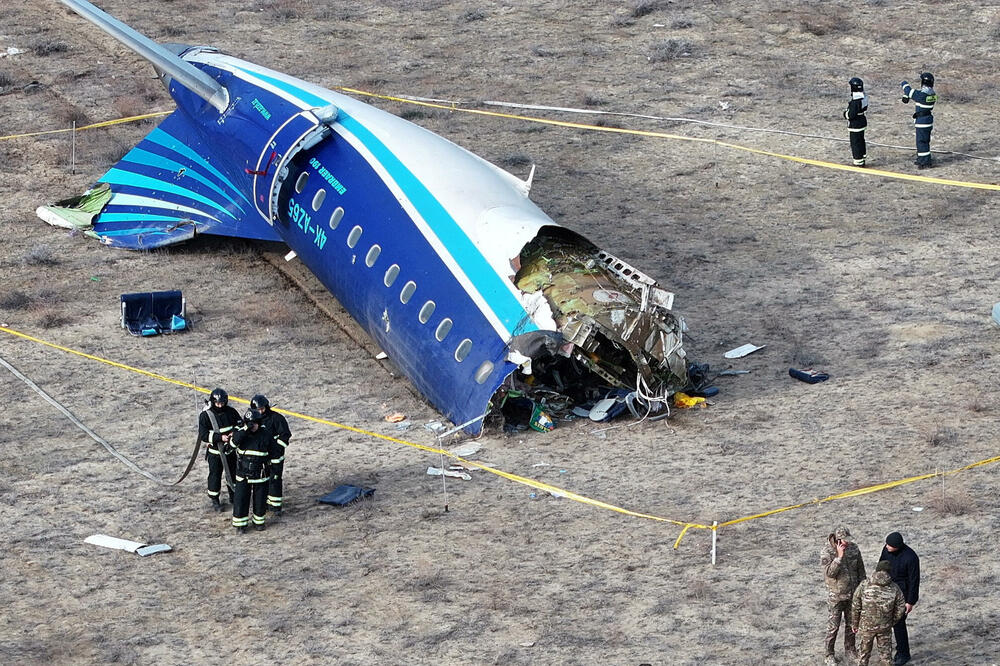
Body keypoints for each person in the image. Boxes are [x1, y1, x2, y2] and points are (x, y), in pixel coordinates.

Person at [820, 526, 867, 665]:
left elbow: (861, 570)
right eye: (844, 541)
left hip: (853, 594)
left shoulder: (854, 549)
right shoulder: (827, 552)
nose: (847, 543)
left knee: (852, 624)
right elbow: (830, 573)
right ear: (837, 539)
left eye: (848, 540)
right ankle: (829, 654)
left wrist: (862, 589)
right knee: (833, 626)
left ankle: (850, 650)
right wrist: (839, 557)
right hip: (836, 596)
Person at [851, 560, 907, 666]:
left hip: (866, 626)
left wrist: (855, 623)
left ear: (876, 570)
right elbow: (901, 606)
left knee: (863, 655)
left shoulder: (864, 585)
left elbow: (855, 605)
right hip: (885, 627)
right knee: (886, 656)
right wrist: (892, 621)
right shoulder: (894, 588)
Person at [230, 408, 277, 533]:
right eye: (249, 423)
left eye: (254, 423)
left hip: (260, 473)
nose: (252, 426)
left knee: (260, 499)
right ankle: (241, 525)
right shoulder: (241, 433)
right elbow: (232, 444)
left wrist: (274, 471)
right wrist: (245, 430)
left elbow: (274, 453)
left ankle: (258, 522)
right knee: (241, 499)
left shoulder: (266, 434)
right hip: (243, 474)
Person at [198, 387, 242, 512]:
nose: (220, 405)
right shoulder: (205, 416)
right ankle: (214, 499)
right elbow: (204, 435)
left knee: (233, 474)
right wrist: (219, 437)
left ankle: (233, 495)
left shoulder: (231, 412)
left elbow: (239, 425)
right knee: (215, 476)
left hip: (230, 451)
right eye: (217, 403)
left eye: (222, 403)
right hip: (215, 453)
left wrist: (234, 433)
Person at [879, 532, 920, 665]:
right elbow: (880, 568)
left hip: (902, 594)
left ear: (897, 546)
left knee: (899, 624)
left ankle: (903, 653)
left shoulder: (911, 557)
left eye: (889, 545)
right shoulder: (886, 550)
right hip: (886, 591)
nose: (886, 547)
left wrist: (910, 601)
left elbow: (914, 580)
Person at [251, 394, 292, 515]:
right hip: (261, 457)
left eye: (262, 409)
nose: (260, 411)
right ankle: (264, 503)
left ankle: (275, 506)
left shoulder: (277, 418)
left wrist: (275, 449)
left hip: (275, 457)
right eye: (258, 410)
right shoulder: (253, 420)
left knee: (275, 480)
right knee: (263, 480)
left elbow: (285, 436)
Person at [900, 72, 937, 169]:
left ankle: (924, 162)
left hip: (922, 122)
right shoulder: (932, 94)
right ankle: (924, 159)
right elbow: (915, 95)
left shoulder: (922, 95)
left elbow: (909, 91)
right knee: (925, 141)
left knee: (921, 142)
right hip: (928, 121)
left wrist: (904, 83)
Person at [844, 77, 869, 166]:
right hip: (862, 122)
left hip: (855, 125)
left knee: (855, 143)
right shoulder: (864, 97)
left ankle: (858, 161)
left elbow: (851, 115)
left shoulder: (855, 101)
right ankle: (862, 158)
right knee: (861, 141)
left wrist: (845, 114)